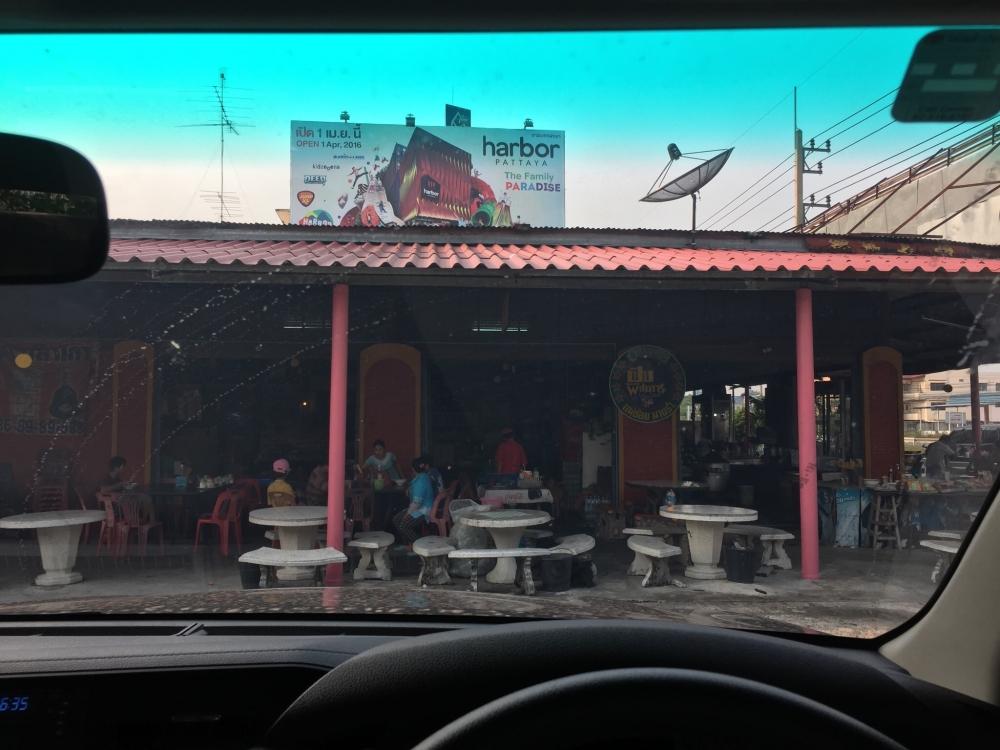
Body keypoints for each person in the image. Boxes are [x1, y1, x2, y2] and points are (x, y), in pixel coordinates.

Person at [393, 456, 434, 545]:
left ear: (413, 469)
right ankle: (408, 545)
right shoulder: (422, 477)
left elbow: (416, 503)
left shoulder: (421, 481)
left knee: (403, 525)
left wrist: (407, 514)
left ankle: (420, 545)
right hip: (419, 507)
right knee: (396, 519)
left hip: (423, 510)